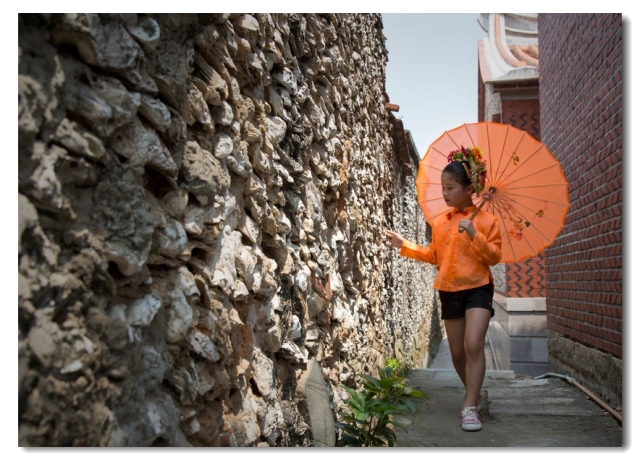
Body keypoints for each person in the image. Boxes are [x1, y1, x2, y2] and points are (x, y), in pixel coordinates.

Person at [385, 146, 501, 432]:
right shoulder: (441, 224)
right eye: (443, 188)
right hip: (449, 290)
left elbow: (494, 257)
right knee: (458, 354)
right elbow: (434, 256)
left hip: (478, 288)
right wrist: (405, 246)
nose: (446, 193)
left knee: (473, 345)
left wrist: (475, 235)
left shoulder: (486, 221)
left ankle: (469, 407)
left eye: (451, 188)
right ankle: (473, 394)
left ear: (469, 188)